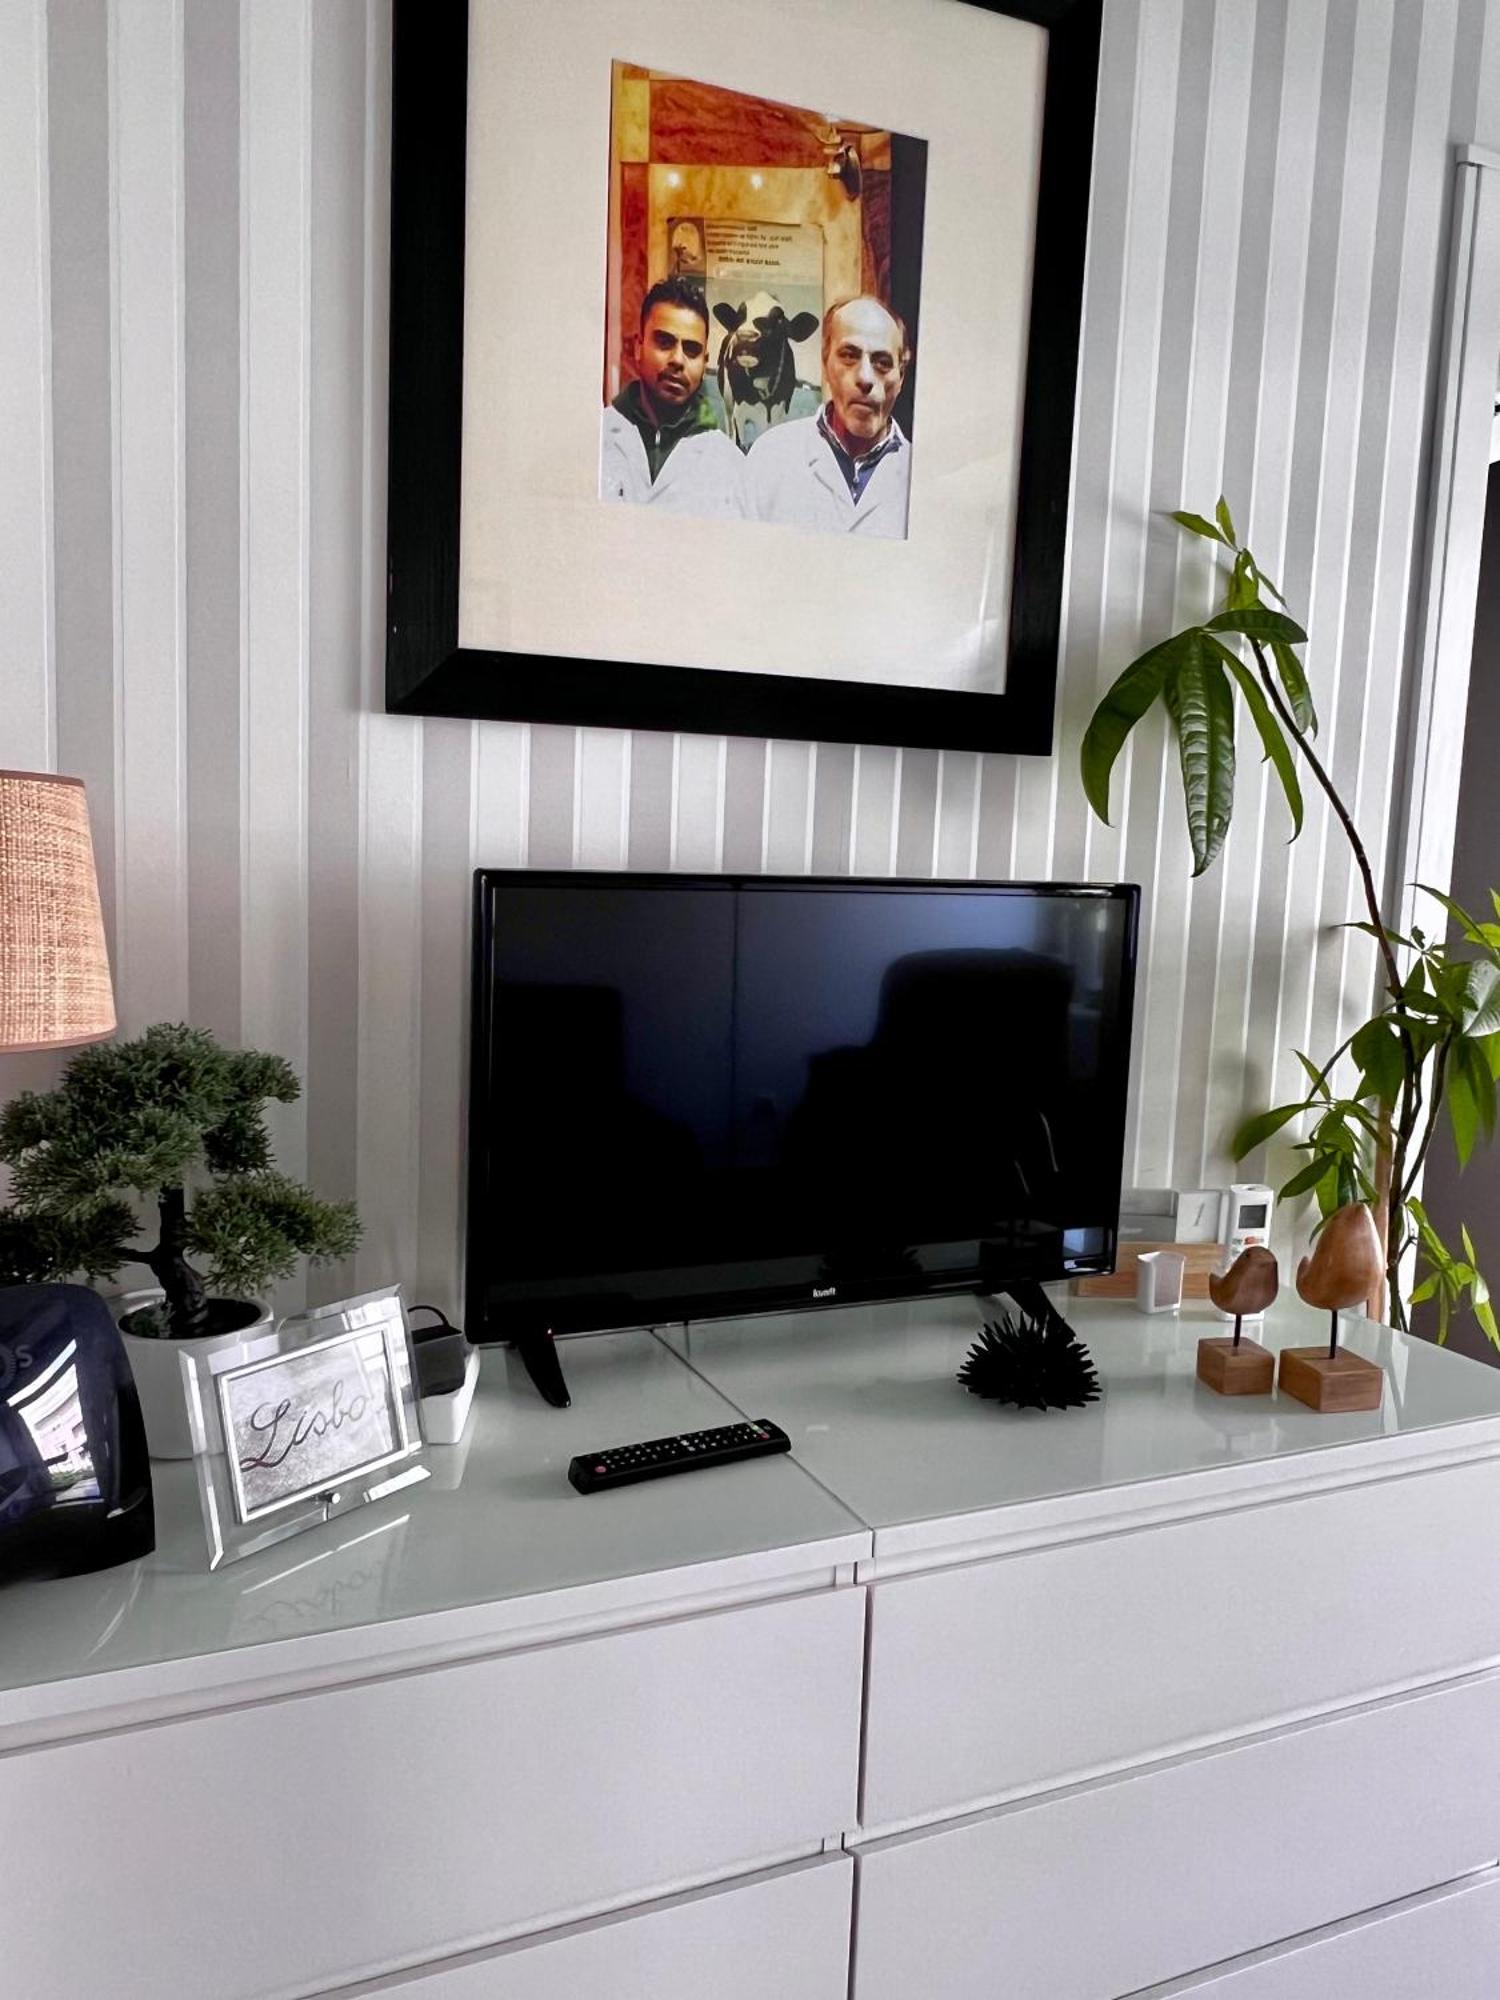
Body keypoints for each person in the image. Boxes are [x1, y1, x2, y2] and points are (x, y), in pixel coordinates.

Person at [743, 295, 912, 538]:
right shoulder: (771, 456)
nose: (865, 377)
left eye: (882, 362)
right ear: (825, 362)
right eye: (849, 355)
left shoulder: (921, 478)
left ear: (901, 376)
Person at [600, 278, 745, 518]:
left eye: (691, 349)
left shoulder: (729, 465)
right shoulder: (596, 436)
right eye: (664, 342)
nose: (678, 359)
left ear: (704, 362)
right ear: (638, 347)